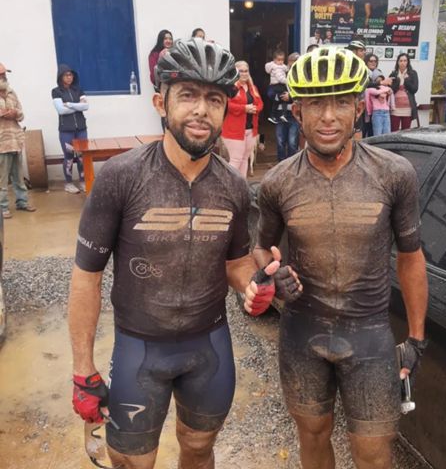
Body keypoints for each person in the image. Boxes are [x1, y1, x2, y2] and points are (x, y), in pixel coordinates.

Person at [67, 37, 283, 469]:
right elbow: (86, 277)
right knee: (131, 461)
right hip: (139, 349)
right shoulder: (120, 177)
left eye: (214, 99)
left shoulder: (234, 186)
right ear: (160, 103)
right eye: (187, 95)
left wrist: (253, 286)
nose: (201, 110)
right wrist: (82, 370)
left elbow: (236, 262)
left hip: (209, 348)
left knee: (199, 449)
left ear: (226, 109)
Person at [248, 46, 428, 469]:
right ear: (298, 113)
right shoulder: (277, 182)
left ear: (359, 109)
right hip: (302, 334)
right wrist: (273, 274)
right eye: (315, 104)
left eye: (341, 102)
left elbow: (411, 257)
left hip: (370, 334)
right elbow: (261, 248)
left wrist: (417, 339)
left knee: (374, 453)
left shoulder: (394, 174)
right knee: (312, 436)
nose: (328, 117)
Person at [0, 63, 36, 218]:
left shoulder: (11, 93)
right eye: (1, 74)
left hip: (15, 140)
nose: (4, 76)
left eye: (4, 74)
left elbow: (21, 113)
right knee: (2, 178)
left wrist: (15, 114)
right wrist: (3, 113)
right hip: (2, 143)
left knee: (18, 176)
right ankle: (2, 207)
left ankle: (22, 202)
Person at [221, 60, 263, 177]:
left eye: (246, 71)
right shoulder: (231, 88)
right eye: (241, 71)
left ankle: (242, 184)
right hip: (234, 130)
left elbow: (260, 103)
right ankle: (229, 185)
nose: (244, 74)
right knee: (236, 159)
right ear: (235, 73)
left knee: (245, 159)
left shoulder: (252, 87)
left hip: (251, 129)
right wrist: (244, 108)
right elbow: (226, 104)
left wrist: (255, 109)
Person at [51, 64, 89, 193]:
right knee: (69, 156)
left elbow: (86, 106)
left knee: (82, 156)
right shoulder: (56, 91)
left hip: (81, 129)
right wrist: (78, 106)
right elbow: (61, 110)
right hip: (66, 131)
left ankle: (83, 181)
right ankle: (68, 183)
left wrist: (69, 104)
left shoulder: (78, 90)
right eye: (66, 75)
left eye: (71, 75)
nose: (69, 77)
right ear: (60, 77)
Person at [274, 52, 300, 161]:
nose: (293, 66)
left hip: (295, 115)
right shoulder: (281, 75)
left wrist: (290, 97)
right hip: (281, 113)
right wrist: (280, 96)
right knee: (280, 141)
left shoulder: (303, 78)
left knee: (292, 142)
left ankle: (291, 164)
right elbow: (272, 93)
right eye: (291, 64)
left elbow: (305, 96)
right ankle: (281, 165)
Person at [389, 53, 418, 131]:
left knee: (406, 131)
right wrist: (398, 81)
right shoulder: (393, 74)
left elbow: (414, 89)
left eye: (405, 61)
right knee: (394, 131)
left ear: (408, 62)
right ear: (398, 62)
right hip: (395, 108)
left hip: (407, 108)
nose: (403, 63)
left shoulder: (413, 73)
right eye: (401, 61)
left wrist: (406, 80)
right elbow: (390, 89)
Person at [265, 50, 288, 124]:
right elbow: (280, 78)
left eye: (282, 60)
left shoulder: (281, 66)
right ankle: (283, 114)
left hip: (277, 86)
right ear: (274, 60)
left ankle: (273, 115)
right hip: (277, 85)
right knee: (284, 97)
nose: (281, 62)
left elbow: (286, 68)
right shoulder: (276, 68)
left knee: (277, 101)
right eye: (279, 60)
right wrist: (288, 81)